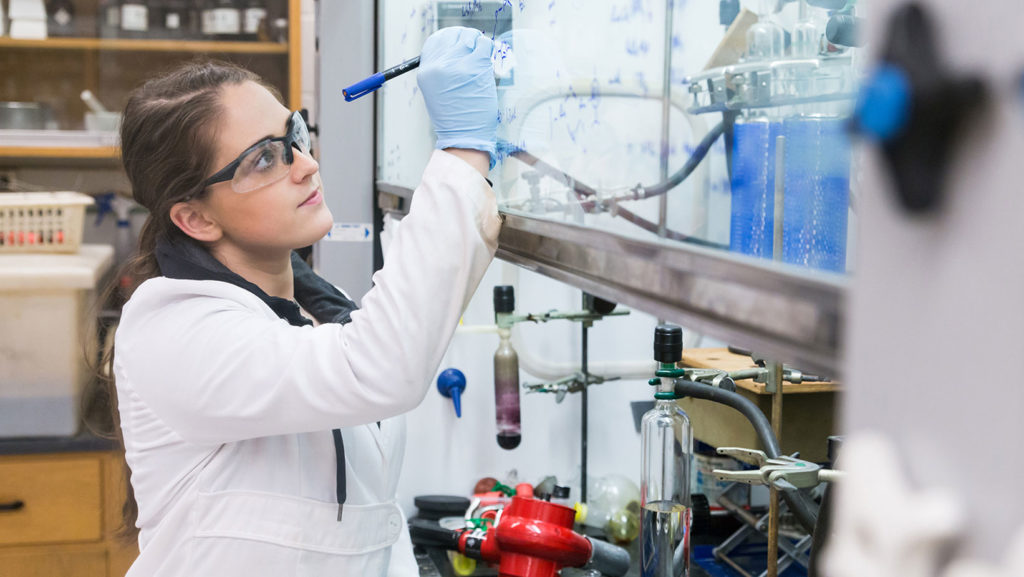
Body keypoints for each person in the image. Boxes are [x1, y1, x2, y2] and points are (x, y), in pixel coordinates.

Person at [104, 26, 501, 576]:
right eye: (265, 159)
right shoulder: (174, 331)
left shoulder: (321, 306)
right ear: (196, 217)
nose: (306, 163)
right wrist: (461, 154)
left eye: (294, 134)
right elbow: (382, 367)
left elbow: (370, 525)